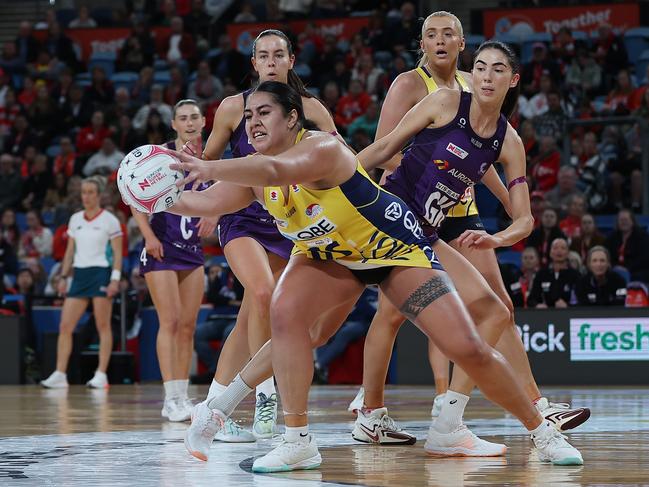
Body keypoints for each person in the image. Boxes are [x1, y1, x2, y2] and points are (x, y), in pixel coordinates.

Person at [166, 80, 582, 470]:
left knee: (468, 348)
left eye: (264, 113)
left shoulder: (323, 149)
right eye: (249, 116)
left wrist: (210, 167)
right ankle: (297, 440)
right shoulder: (255, 171)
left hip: (394, 249)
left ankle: (542, 431)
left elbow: (276, 172)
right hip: (331, 255)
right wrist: (159, 198)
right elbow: (209, 202)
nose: (253, 122)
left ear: (292, 118)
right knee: (286, 312)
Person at [349, 13, 589, 451]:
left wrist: (502, 211)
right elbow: (383, 148)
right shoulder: (419, 89)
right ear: (421, 43)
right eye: (430, 35)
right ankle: (370, 411)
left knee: (497, 309)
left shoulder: (483, 102)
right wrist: (342, 180)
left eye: (448, 35)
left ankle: (479, 410)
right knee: (376, 316)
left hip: (449, 216)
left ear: (463, 44)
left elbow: (484, 162)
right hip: (395, 212)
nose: (439, 42)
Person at [196, 29, 339, 441]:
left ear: (291, 60)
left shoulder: (311, 109)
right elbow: (208, 163)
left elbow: (340, 164)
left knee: (250, 318)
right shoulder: (230, 108)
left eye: (279, 54)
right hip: (241, 215)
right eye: (263, 55)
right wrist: (205, 194)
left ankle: (212, 408)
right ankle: (265, 396)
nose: (271, 61)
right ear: (254, 63)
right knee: (263, 294)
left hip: (288, 220)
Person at [129, 99, 212, 422]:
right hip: (160, 245)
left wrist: (215, 214)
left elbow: (230, 191)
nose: (190, 123)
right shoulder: (159, 156)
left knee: (189, 325)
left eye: (194, 117)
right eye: (183, 118)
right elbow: (135, 196)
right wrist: (148, 236)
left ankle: (183, 396)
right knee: (171, 321)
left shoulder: (210, 157)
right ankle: (170, 398)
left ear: (204, 122)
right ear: (174, 124)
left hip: (192, 248)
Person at [40, 176, 122, 389]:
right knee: (65, 325)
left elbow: (118, 253)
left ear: (99, 195)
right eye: (83, 192)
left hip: (101, 273)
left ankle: (101, 374)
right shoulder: (75, 219)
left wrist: (115, 279)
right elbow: (69, 252)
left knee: (102, 325)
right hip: (79, 275)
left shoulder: (110, 220)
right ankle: (60, 373)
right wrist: (64, 277)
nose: (86, 196)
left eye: (90, 192)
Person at [527, 238, 580, 308]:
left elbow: (582, 301)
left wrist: (568, 306)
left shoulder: (575, 275)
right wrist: (537, 305)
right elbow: (531, 300)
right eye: (555, 248)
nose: (559, 251)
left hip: (569, 315)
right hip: (545, 316)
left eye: (563, 248)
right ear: (550, 253)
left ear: (568, 253)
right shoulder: (541, 274)